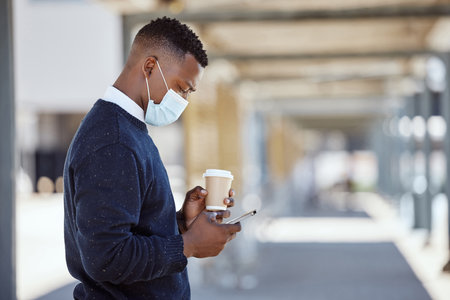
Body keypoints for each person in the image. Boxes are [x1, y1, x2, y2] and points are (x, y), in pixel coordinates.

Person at [63, 17, 242, 300]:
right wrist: (188, 245)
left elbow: (129, 231)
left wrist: (181, 223)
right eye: (182, 88)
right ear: (149, 67)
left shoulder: (129, 130)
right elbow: (106, 258)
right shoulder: (113, 140)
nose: (184, 101)